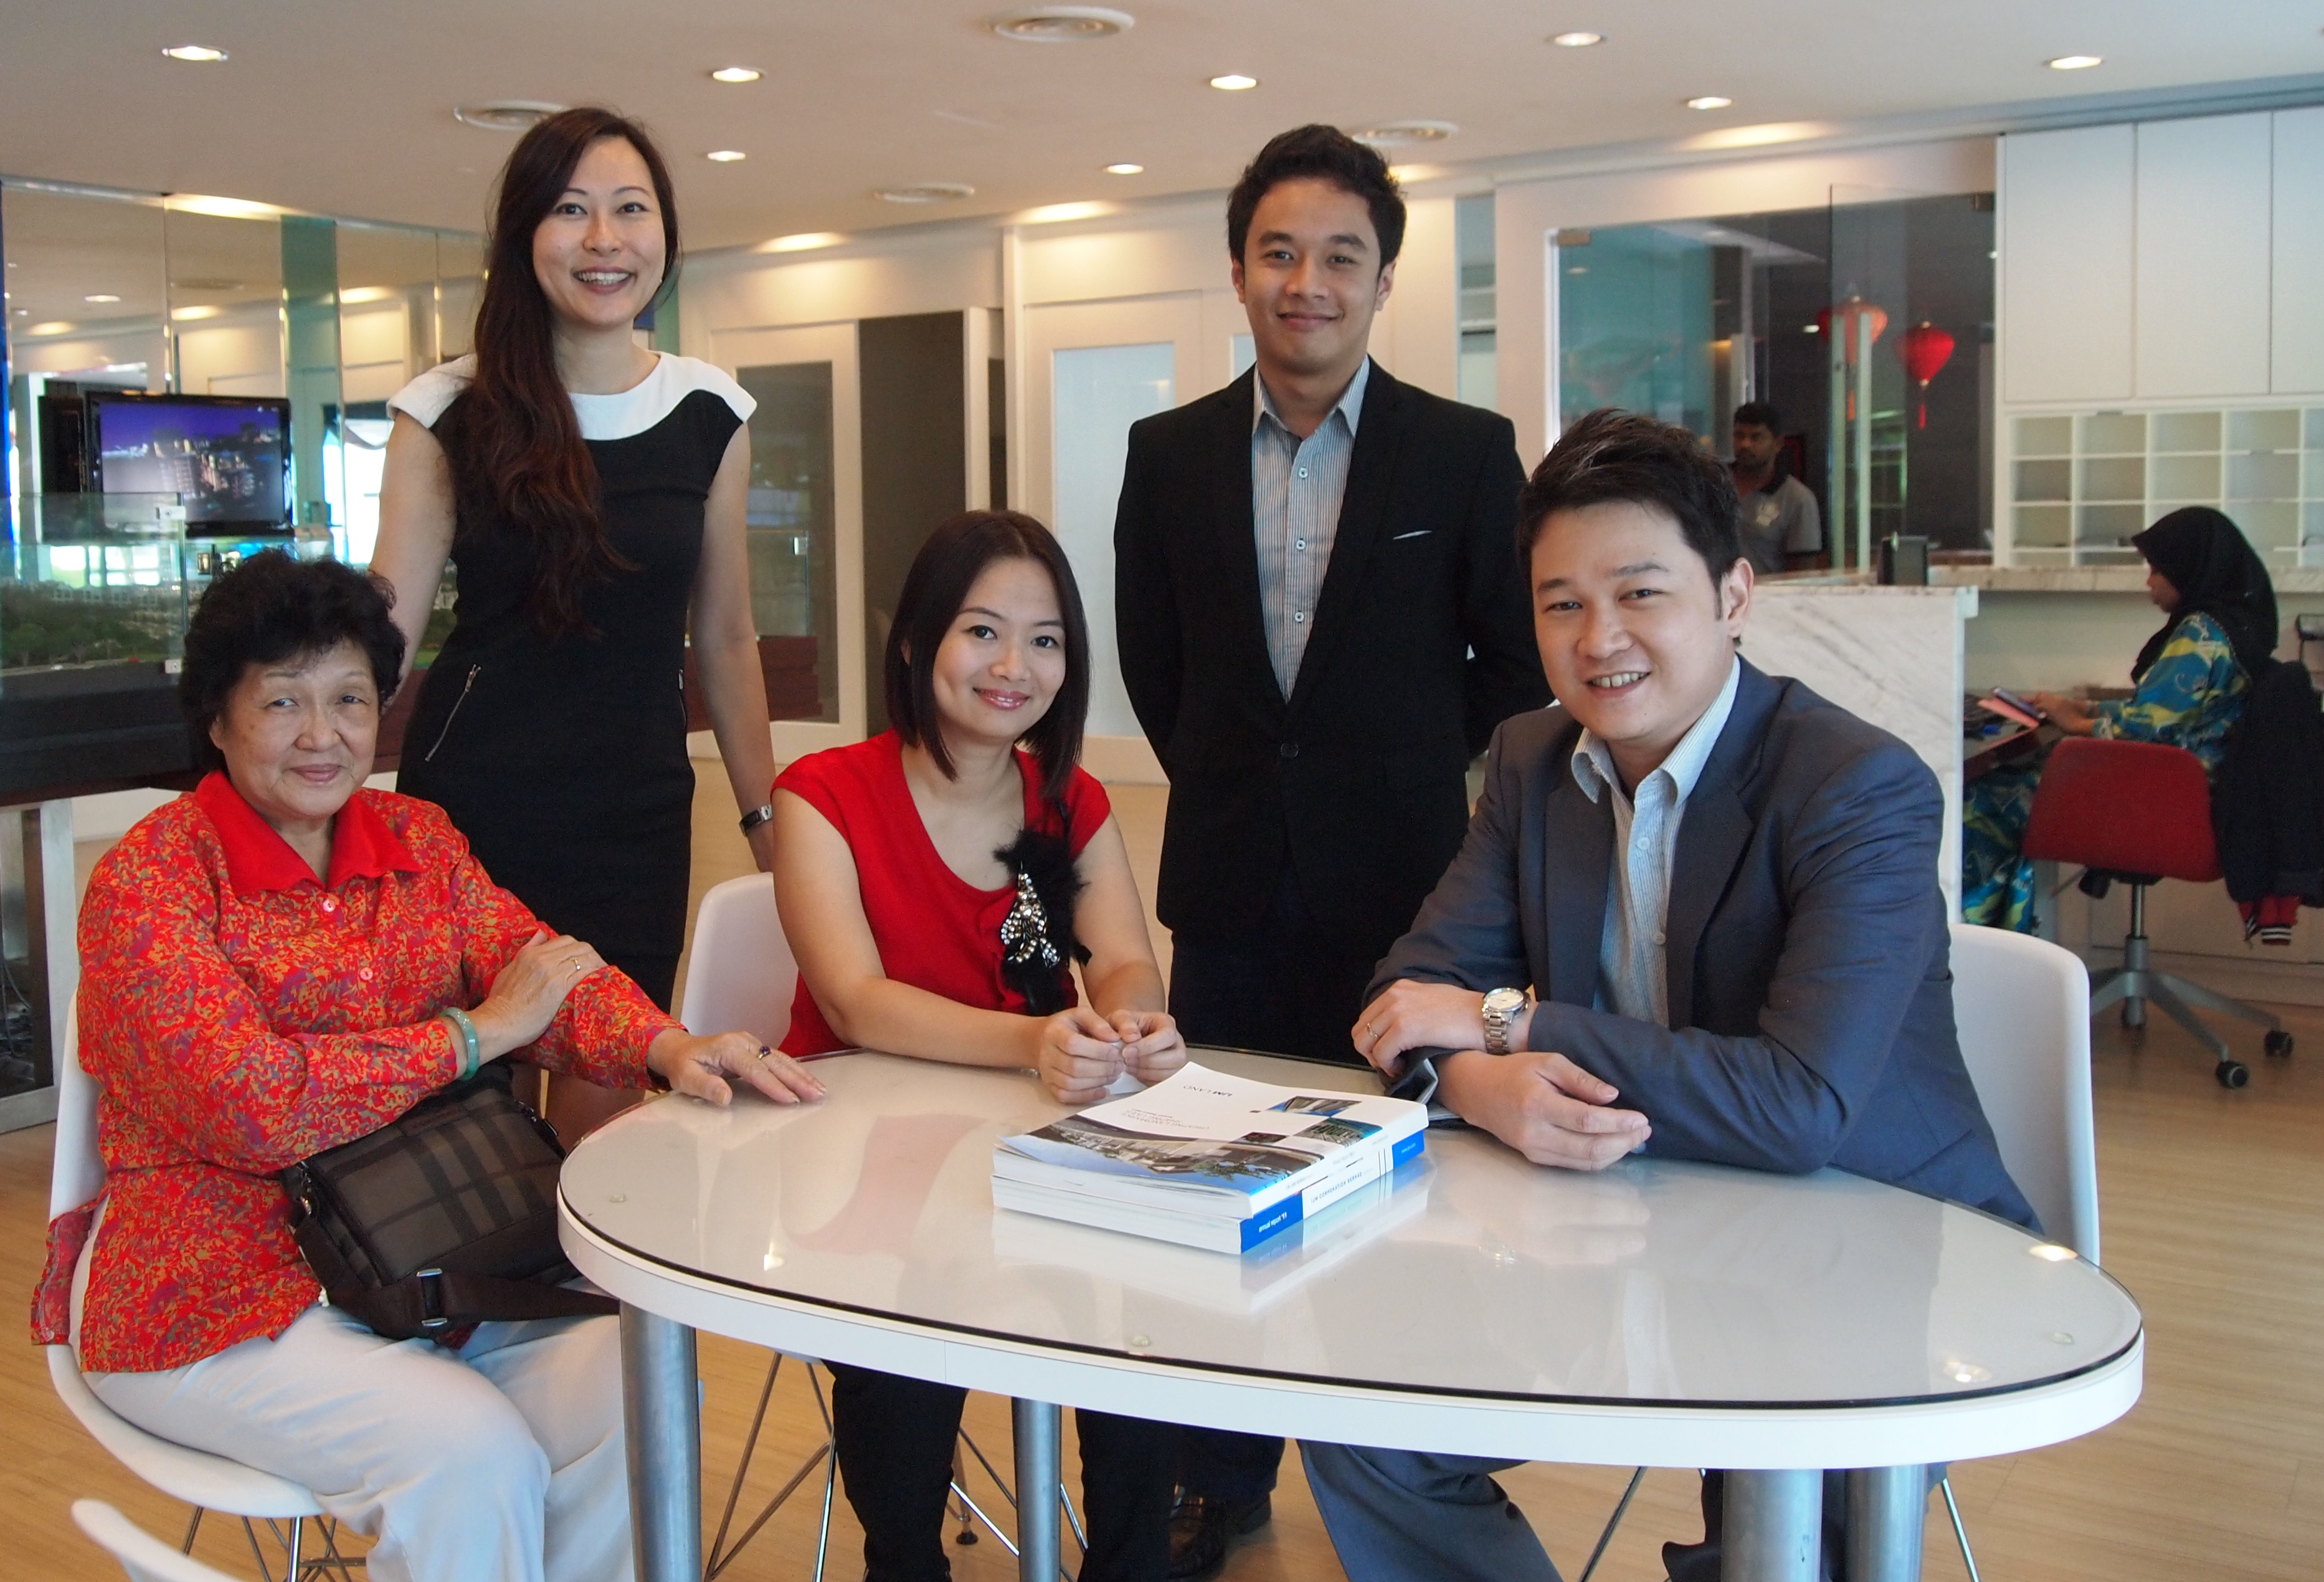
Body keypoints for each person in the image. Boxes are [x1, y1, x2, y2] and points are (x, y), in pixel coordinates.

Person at [1325, 408, 2029, 1582]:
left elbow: (1798, 1105)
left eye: (1640, 593)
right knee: (1363, 1417)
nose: (1599, 639)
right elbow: (1408, 994)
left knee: (1773, 1534)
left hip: (1871, 1239)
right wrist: (1484, 1086)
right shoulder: (1531, 760)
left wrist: (1510, 1022)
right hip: (1636, 1213)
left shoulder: (1856, 786)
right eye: (1561, 604)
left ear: (1733, 594)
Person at [31, 550, 822, 1582]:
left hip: (427, 1247)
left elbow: (535, 967)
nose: (323, 734)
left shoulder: (418, 838)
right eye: (283, 701)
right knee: (467, 1453)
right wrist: (471, 1036)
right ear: (218, 718)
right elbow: (249, 1103)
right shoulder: (152, 878)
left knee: (637, 1383)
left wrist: (671, 1046)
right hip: (216, 1288)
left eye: (350, 699)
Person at [1112, 124, 1547, 1577]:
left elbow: (1512, 662)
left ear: (1383, 280)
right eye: (1280, 252)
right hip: (1231, 883)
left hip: (1404, 894)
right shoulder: (1167, 454)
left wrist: (1401, 763)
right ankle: (1219, 1477)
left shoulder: (1465, 451)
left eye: (1341, 257)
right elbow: (1155, 661)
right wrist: (1248, 775)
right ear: (1240, 270)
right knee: (1222, 1177)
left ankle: (1396, 1474)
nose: (1309, 282)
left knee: (1398, 1187)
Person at [773, 509, 1186, 1582]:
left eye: (1045, 640)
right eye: (983, 632)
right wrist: (1035, 1039)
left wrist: (1133, 1020)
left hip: (1030, 1139)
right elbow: (856, 1003)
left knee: (1142, 1305)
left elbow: (1122, 956)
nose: (1015, 667)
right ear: (917, 640)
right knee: (905, 1319)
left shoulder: (1067, 798)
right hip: (858, 1148)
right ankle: (904, 1561)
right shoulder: (822, 793)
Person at [373, 106, 780, 1137]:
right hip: (473, 811)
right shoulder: (447, 410)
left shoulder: (709, 413)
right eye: (570, 210)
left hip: (634, 812)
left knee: (607, 1110)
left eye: (630, 209)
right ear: (524, 236)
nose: (605, 240)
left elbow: (726, 637)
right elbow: (385, 631)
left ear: (665, 234)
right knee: (479, 1117)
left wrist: (766, 820)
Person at [1963, 504, 2274, 935]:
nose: (2149, 582)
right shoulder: (2236, 628)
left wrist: (2077, 726)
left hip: (2162, 801)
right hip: (2196, 796)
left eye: (2157, 570)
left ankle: (1975, 942)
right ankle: (2008, 938)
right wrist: (2088, 712)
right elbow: (2174, 716)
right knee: (2017, 779)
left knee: (1980, 797)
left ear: (2189, 569)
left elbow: (2142, 731)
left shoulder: (2200, 634)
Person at [1725, 401, 1823, 575]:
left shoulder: (1797, 499)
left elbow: (1802, 573)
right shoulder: (1714, 484)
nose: (1745, 444)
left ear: (1777, 444)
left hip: (1767, 591)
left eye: (1756, 437)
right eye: (1739, 436)